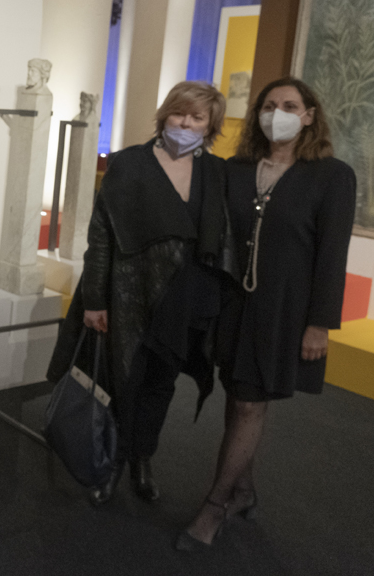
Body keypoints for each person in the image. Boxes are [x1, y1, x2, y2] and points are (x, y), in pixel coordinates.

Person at [177, 77, 355, 550]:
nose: (278, 112)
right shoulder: (236, 170)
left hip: (285, 312)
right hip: (235, 306)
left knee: (253, 403)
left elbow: (332, 256)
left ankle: (214, 506)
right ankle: (245, 490)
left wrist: (320, 324)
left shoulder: (333, 176)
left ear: (310, 115)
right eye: (270, 105)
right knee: (238, 399)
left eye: (290, 105)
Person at [47, 81, 234, 506]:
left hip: (182, 299)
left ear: (210, 126)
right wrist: (95, 300)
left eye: (197, 117)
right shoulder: (129, 164)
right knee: (119, 380)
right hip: (127, 296)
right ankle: (110, 461)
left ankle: (142, 459)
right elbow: (101, 239)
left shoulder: (215, 172)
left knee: (159, 385)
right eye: (178, 113)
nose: (185, 123)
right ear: (164, 114)